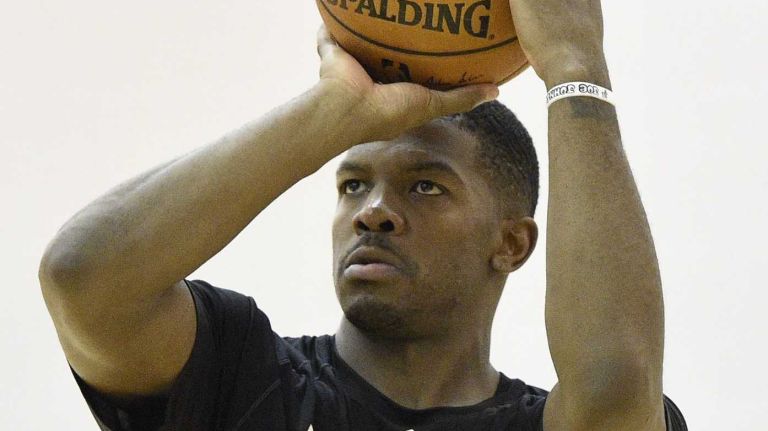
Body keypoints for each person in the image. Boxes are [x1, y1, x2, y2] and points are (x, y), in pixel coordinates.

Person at [39, 0, 687, 430]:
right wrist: (334, 113)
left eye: (425, 187)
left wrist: (575, 65)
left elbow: (616, 388)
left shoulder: (535, 421)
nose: (373, 211)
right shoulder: (242, 376)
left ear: (512, 242)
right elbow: (83, 276)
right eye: (351, 184)